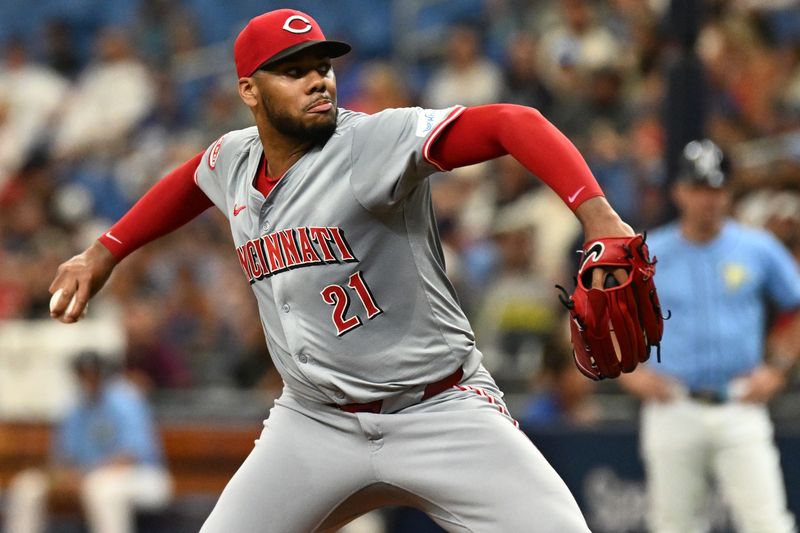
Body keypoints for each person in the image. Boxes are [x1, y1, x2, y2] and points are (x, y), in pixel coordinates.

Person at [49, 9, 638, 532]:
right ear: (250, 91)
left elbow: (515, 122)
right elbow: (189, 181)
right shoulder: (234, 159)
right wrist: (105, 251)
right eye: (293, 70)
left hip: (438, 409)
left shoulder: (372, 143)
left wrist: (596, 212)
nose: (317, 80)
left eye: (322, 66)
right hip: (313, 422)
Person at [619, 139, 800, 533]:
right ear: (679, 191)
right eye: (699, 188)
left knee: (768, 523)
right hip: (673, 401)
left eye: (717, 188)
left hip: (740, 400)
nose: (709, 199)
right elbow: (611, 318)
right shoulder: (650, 254)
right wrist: (629, 374)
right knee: (673, 525)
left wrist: (778, 369)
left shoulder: (757, 248)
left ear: (728, 192)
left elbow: (797, 304)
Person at [3, 350, 172, 533]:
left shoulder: (126, 399)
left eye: (94, 373)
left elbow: (130, 456)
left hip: (143, 476)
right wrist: (64, 476)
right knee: (26, 486)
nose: (89, 379)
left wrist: (84, 475)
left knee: (101, 489)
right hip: (85, 477)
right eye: (83, 373)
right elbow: (64, 457)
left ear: (104, 374)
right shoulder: (75, 407)